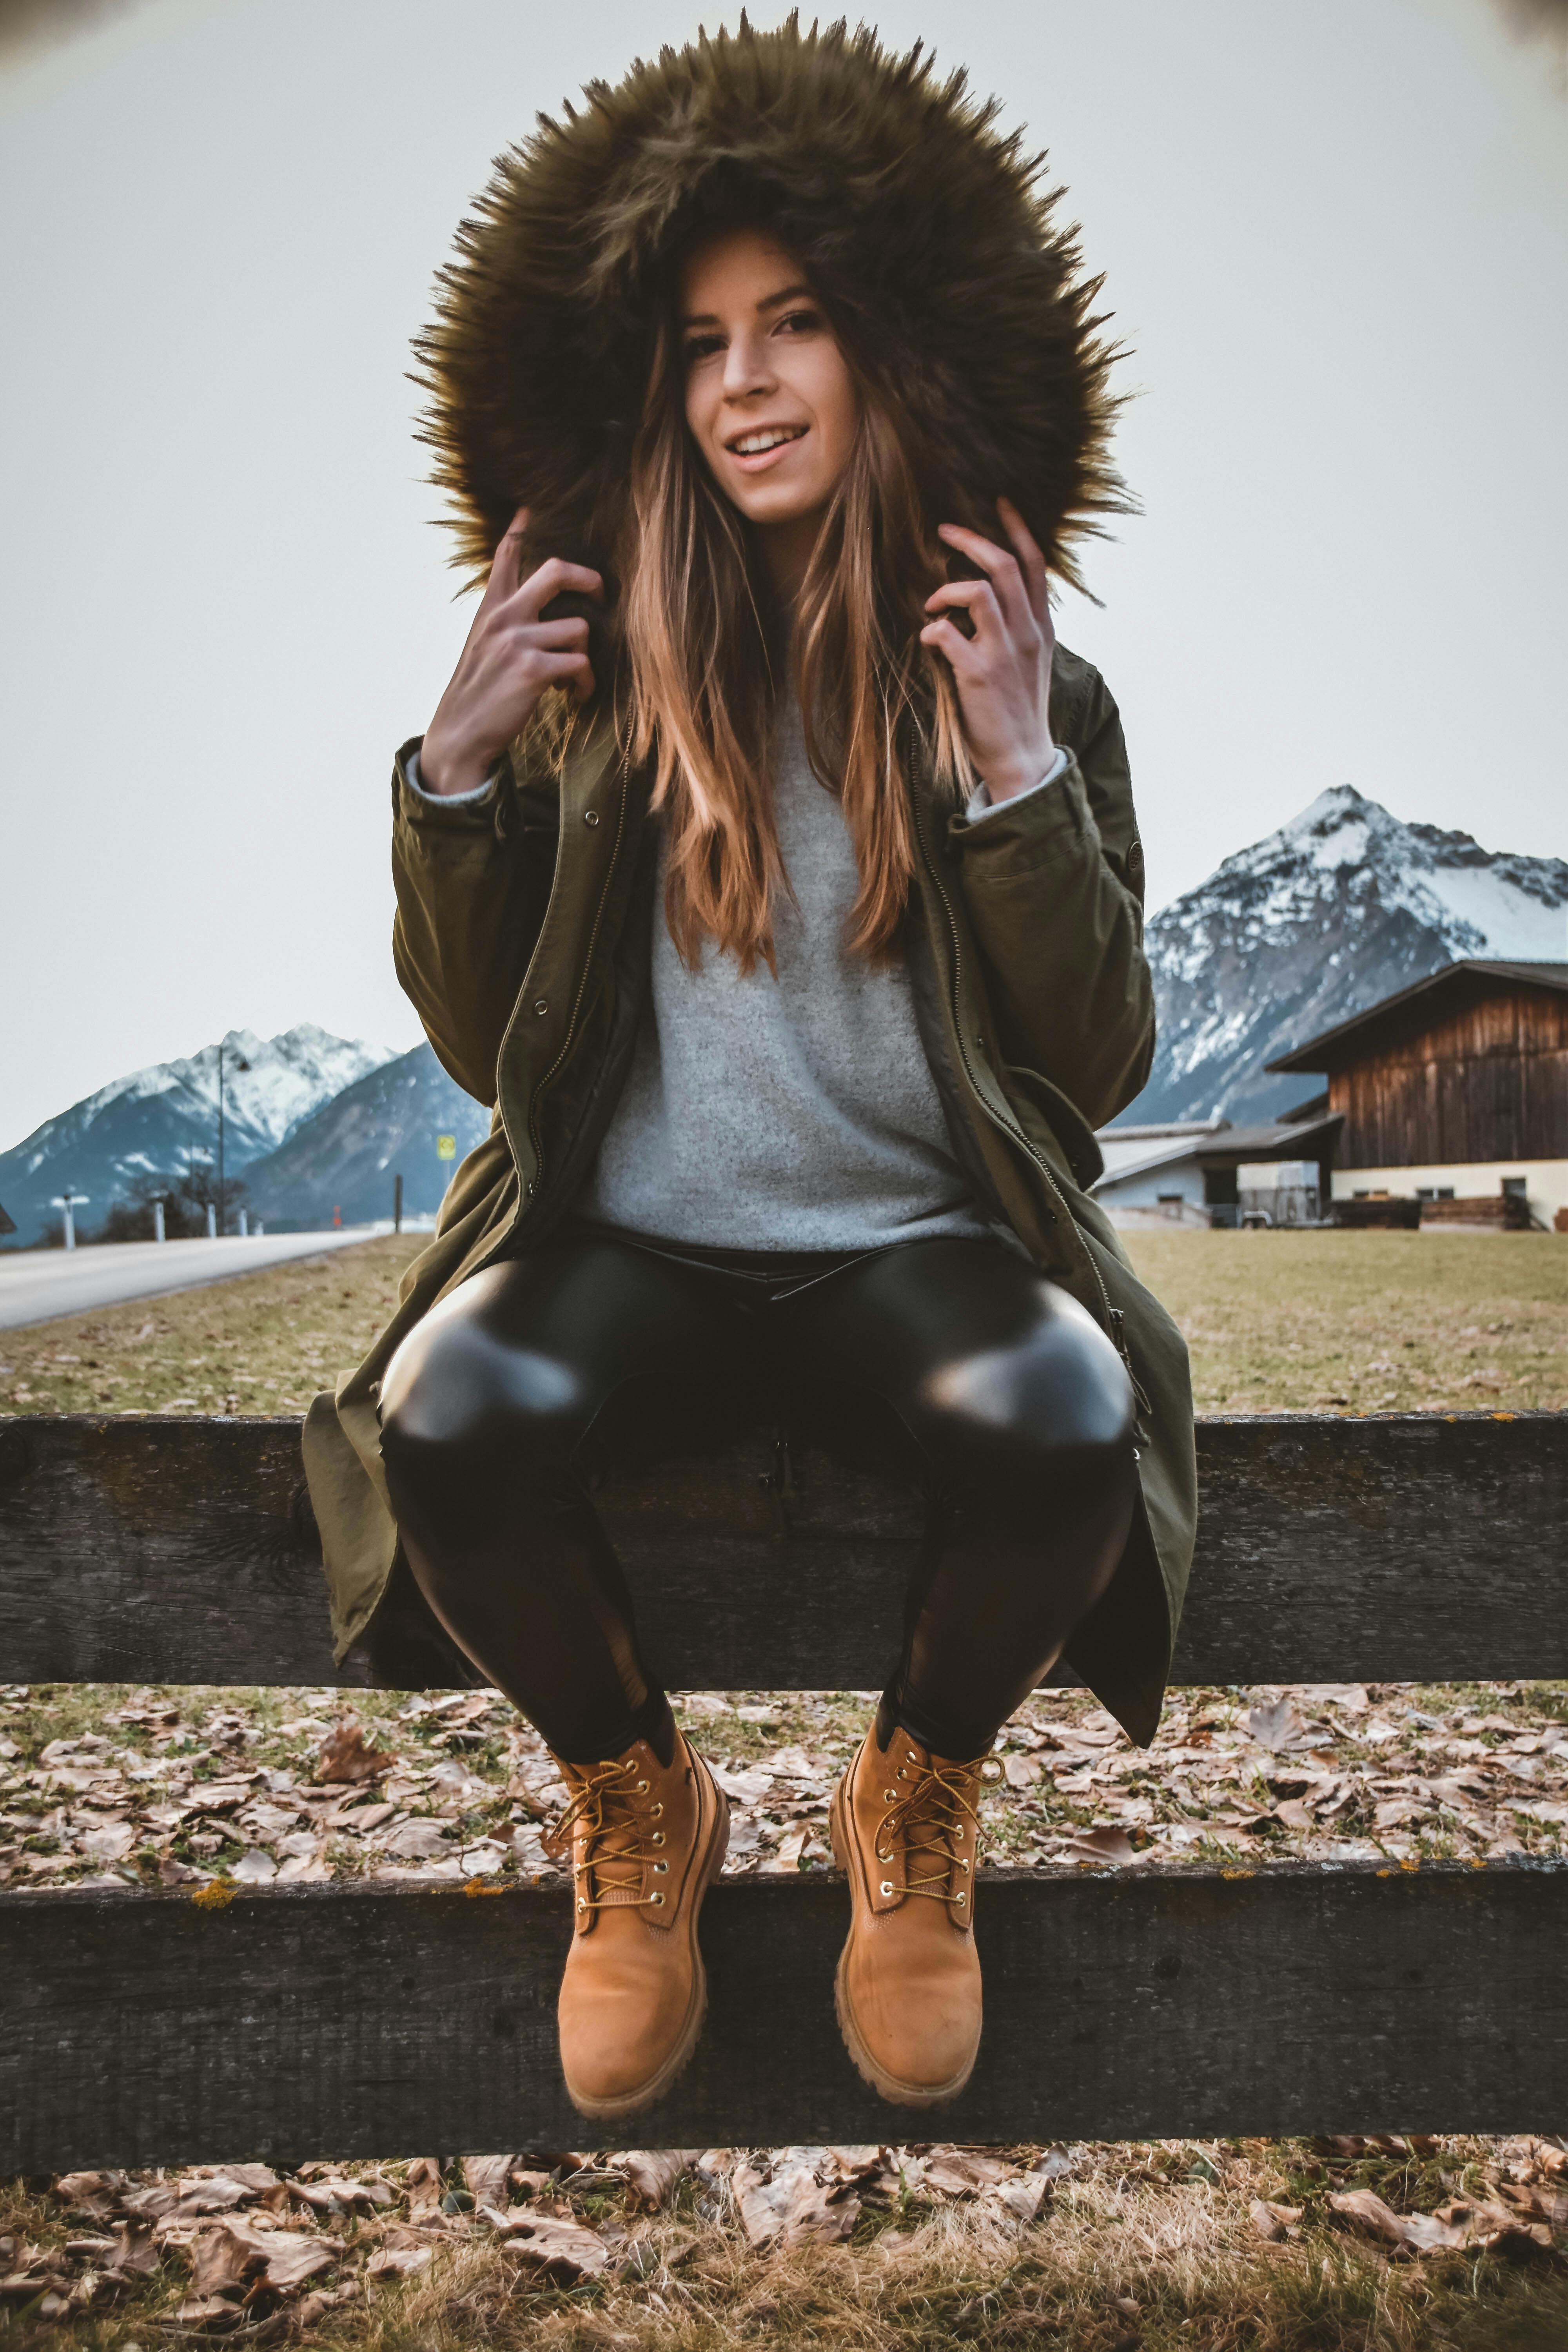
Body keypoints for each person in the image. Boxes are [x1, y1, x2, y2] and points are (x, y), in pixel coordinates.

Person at [303, 18, 1196, 2121]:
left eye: (792, 326)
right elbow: (477, 1038)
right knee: (450, 1412)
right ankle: (641, 1811)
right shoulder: (594, 680)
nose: (748, 385)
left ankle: (915, 1805)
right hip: (639, 1251)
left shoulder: (1026, 675)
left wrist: (1016, 786)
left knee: (1072, 1415)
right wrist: (449, 780)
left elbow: (1100, 1057)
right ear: (658, 384)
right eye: (703, 344)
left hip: (913, 1252)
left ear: (878, 353)